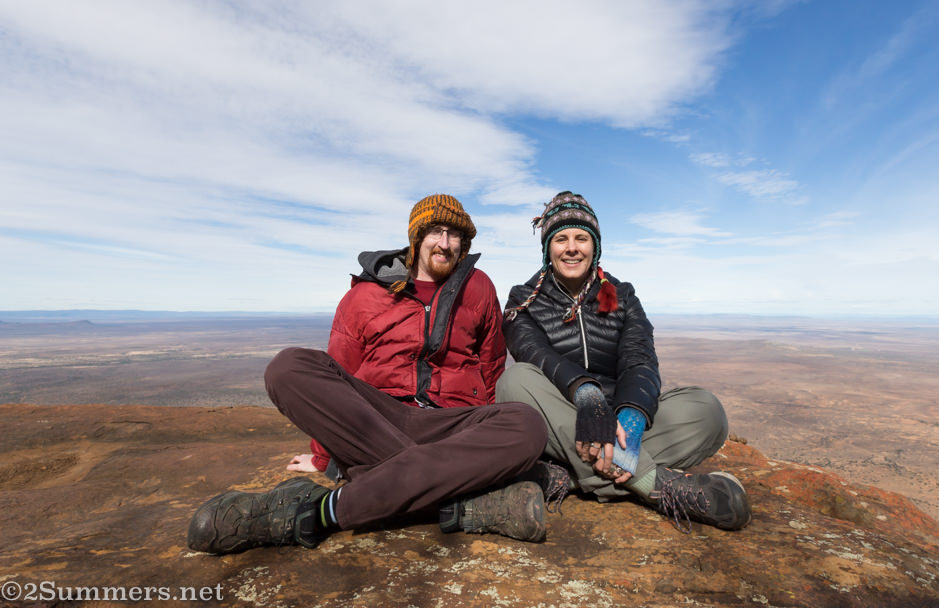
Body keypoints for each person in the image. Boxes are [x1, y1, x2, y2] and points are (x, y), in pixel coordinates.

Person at [187, 194, 553, 554]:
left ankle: (321, 512)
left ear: (464, 242)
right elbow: (339, 369)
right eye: (435, 232)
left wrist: (482, 437)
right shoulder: (365, 294)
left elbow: (490, 365)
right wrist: (323, 454)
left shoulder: (479, 287)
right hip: (379, 418)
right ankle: (456, 502)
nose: (444, 243)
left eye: (454, 235)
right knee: (287, 366)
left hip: (450, 425)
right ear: (416, 237)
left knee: (527, 424)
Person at [496, 191, 751, 532]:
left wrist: (630, 418)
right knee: (514, 383)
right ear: (548, 248)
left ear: (595, 245)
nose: (572, 247)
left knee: (707, 411)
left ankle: (570, 478)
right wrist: (586, 396)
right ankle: (653, 484)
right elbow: (534, 354)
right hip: (563, 422)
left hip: (619, 428)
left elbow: (640, 359)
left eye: (581, 238)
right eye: (561, 239)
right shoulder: (523, 300)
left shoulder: (623, 295)